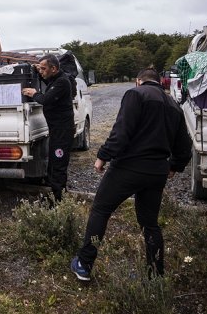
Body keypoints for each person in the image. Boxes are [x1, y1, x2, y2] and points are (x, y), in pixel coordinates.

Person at [70, 67, 192, 282]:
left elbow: (121, 131)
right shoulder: (174, 105)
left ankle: (84, 264)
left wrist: (103, 156)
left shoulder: (136, 95)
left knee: (100, 209)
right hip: (157, 172)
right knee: (149, 223)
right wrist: (175, 166)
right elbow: (184, 144)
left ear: (138, 81)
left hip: (129, 167)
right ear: (159, 83)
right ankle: (154, 275)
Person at [22, 54, 75, 202]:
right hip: (56, 130)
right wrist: (35, 69)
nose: (41, 71)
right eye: (40, 69)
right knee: (53, 164)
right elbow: (45, 79)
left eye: (44, 68)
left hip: (62, 131)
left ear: (54, 68)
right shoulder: (55, 79)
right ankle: (54, 195)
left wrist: (34, 94)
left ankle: (58, 202)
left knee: (58, 166)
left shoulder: (62, 82)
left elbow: (46, 100)